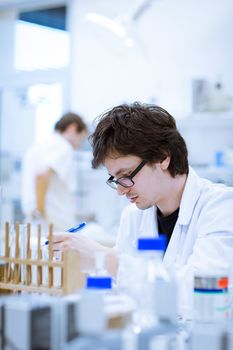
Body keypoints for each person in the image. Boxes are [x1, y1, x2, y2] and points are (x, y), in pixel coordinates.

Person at [50, 103, 233, 317]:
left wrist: (106, 258)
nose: (120, 190)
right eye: (115, 179)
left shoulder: (221, 206)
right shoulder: (134, 216)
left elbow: (201, 295)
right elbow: (122, 294)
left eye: (126, 174)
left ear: (163, 157)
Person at [21, 112, 87, 232]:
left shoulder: (37, 146)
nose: (78, 145)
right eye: (81, 138)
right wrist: (40, 211)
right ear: (72, 128)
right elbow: (41, 175)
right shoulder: (63, 147)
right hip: (52, 223)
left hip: (35, 222)